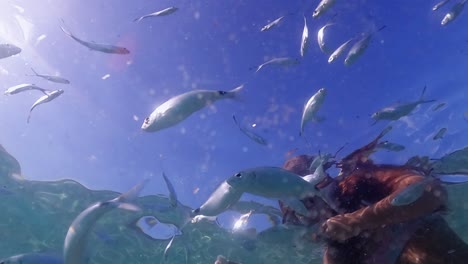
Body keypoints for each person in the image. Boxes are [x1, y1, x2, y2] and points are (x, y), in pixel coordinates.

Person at [280, 154, 468, 264]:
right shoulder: (334, 255)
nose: (309, 220)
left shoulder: (357, 182)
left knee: (426, 231)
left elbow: (429, 191)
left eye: (308, 201)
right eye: (298, 217)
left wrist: (358, 220)